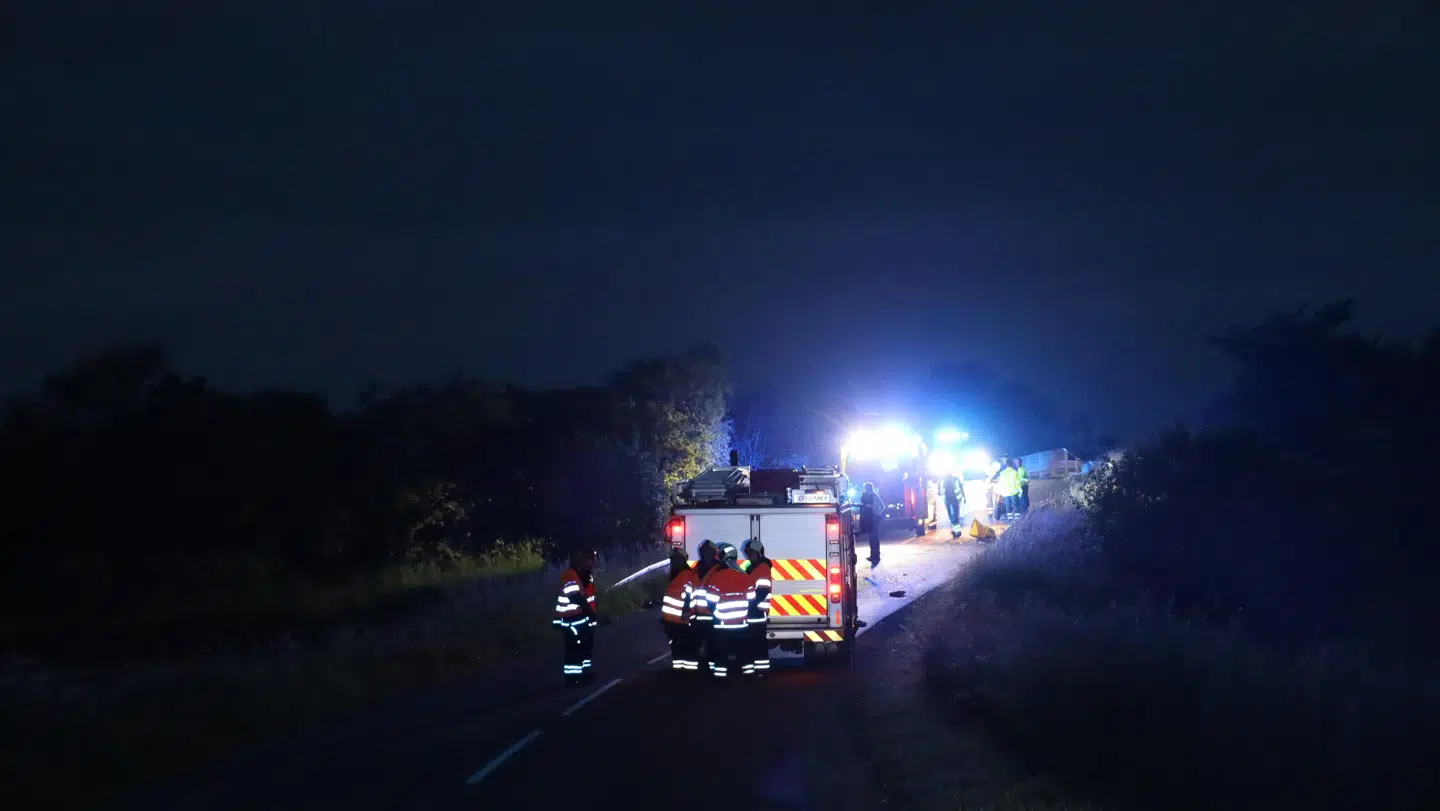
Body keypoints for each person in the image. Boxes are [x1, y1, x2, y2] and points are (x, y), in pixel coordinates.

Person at [698, 542, 754, 680]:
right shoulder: (745, 577)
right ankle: (749, 677)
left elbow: (710, 602)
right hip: (741, 624)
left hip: (722, 625)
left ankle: (720, 679)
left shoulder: (716, 578)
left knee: (721, 654)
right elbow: (752, 600)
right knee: (744, 653)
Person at [552, 547, 600, 686]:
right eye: (589, 560)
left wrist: (591, 616)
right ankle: (573, 678)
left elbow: (588, 597)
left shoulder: (584, 575)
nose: (592, 563)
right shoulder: (570, 576)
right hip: (570, 620)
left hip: (581, 619)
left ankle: (584, 674)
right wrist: (590, 614)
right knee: (574, 650)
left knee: (585, 647)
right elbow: (576, 598)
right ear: (581, 560)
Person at [661, 548, 700, 672]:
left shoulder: (686, 574)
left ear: (683, 560)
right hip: (673, 620)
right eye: (673, 560)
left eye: (676, 559)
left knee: (686, 646)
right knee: (677, 646)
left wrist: (686, 611)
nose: (674, 562)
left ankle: (689, 672)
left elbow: (688, 593)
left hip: (683, 620)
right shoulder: (676, 574)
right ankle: (679, 670)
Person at [740, 538, 772, 678]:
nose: (748, 556)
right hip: (752, 613)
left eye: (751, 553)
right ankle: (756, 671)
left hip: (757, 613)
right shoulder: (754, 568)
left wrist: (751, 606)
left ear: (758, 553)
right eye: (747, 554)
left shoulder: (762, 568)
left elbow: (763, 591)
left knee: (758, 644)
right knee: (752, 643)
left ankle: (762, 671)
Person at [690, 540, 719, 671]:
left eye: (708, 552)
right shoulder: (695, 569)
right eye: (704, 552)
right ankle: (702, 668)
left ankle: (713, 669)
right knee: (697, 645)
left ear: (714, 553)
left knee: (714, 645)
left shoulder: (719, 569)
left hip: (713, 615)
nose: (705, 554)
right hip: (697, 615)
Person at [859, 482, 883, 566]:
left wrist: (877, 514)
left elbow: (882, 506)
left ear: (869, 487)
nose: (865, 489)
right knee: (871, 538)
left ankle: (876, 556)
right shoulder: (867, 495)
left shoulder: (874, 495)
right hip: (870, 518)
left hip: (874, 518)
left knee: (874, 538)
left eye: (866, 487)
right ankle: (872, 556)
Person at [939, 471, 966, 538]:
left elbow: (940, 491)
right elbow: (961, 488)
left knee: (952, 516)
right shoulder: (956, 479)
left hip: (949, 501)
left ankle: (956, 532)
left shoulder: (944, 480)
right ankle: (957, 531)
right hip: (956, 500)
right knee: (956, 515)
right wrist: (964, 497)